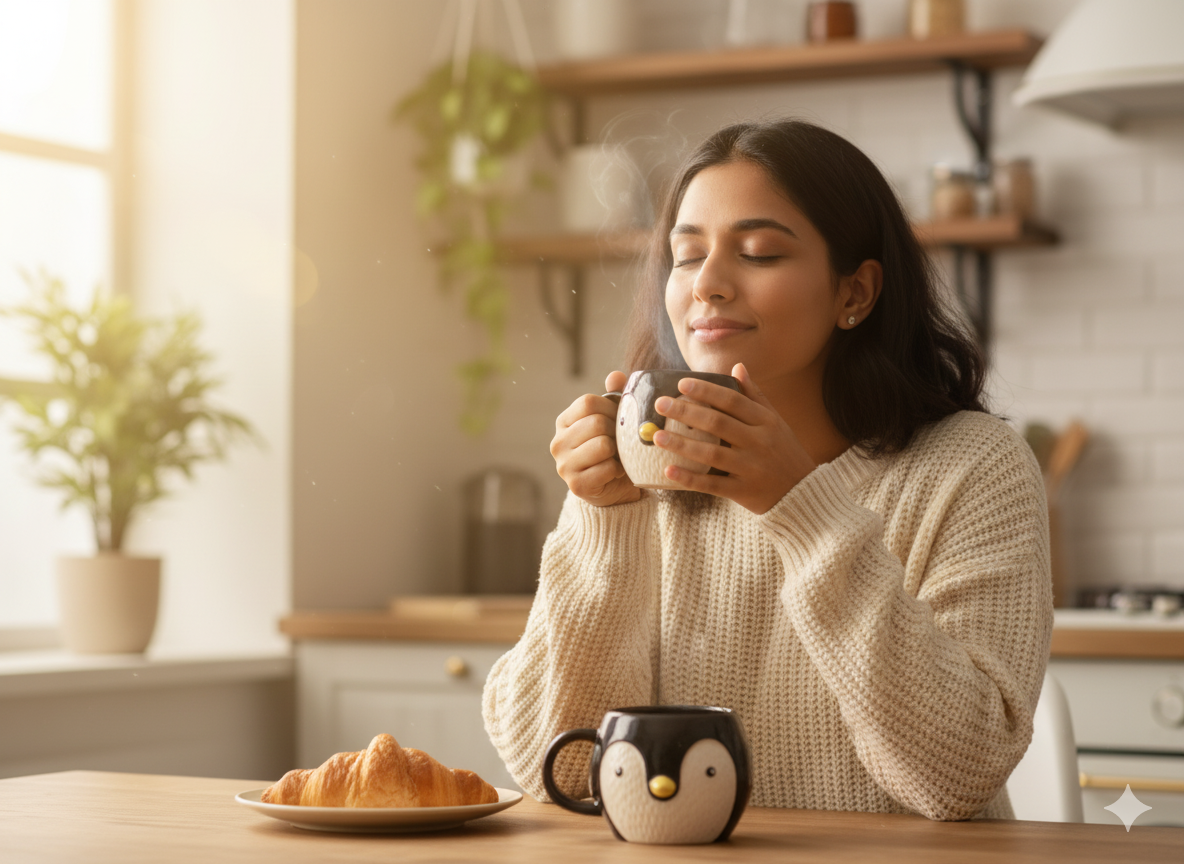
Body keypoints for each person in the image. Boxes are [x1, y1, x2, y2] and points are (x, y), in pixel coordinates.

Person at [482, 119, 1052, 820]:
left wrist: (801, 507)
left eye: (756, 253)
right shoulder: (642, 479)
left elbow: (958, 774)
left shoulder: (973, 466)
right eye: (686, 257)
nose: (708, 285)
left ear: (856, 294)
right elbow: (563, 771)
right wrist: (603, 520)